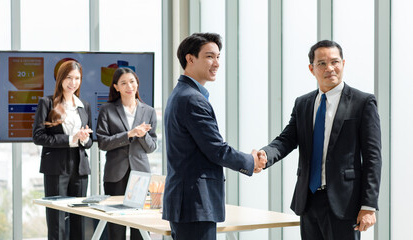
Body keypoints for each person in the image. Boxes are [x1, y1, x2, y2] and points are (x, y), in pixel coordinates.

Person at [258, 40, 382, 240]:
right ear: (311, 68)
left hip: (345, 201)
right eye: (322, 63)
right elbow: (286, 140)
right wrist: (265, 155)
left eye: (335, 62)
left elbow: (373, 157)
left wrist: (368, 206)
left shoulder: (363, 102)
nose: (330, 68)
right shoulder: (303, 103)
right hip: (308, 199)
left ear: (343, 63)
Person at [162, 32, 267, 240]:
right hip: (195, 203)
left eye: (218, 57)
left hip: (188, 203)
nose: (217, 63)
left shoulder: (182, 94)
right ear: (190, 59)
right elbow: (217, 149)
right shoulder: (192, 99)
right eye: (210, 56)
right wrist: (250, 161)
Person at [33, 60, 93, 240]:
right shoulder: (47, 103)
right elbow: (38, 136)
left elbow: (90, 142)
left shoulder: (84, 106)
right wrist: (69, 139)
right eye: (68, 77)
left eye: (77, 78)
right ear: (60, 79)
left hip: (80, 168)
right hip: (55, 167)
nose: (73, 82)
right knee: (57, 221)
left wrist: (85, 138)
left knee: (79, 219)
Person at [96, 67, 157, 240]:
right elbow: (103, 143)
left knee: (139, 224)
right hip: (115, 174)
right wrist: (129, 134)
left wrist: (143, 135)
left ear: (137, 83)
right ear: (116, 87)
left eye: (132, 81)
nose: (129, 86)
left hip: (140, 174)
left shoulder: (149, 111)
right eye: (123, 83)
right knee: (116, 226)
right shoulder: (107, 110)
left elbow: (152, 147)